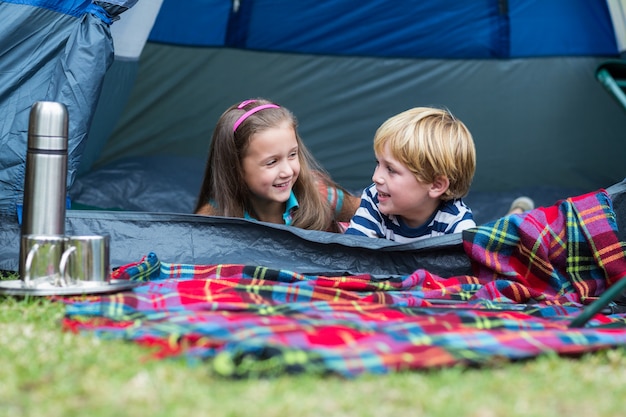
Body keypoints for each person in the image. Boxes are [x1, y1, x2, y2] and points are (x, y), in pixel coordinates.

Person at [194, 98, 360, 232]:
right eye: (272, 162)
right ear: (236, 167)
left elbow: (371, 213)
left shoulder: (321, 196)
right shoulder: (214, 219)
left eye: (293, 155)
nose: (287, 171)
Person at [344, 106, 476, 243]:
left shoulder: (456, 225)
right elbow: (352, 256)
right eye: (378, 163)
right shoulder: (374, 199)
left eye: (391, 169)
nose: (376, 177)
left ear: (436, 185)